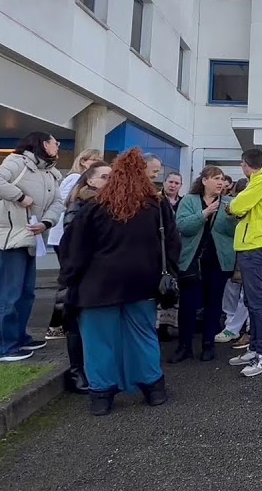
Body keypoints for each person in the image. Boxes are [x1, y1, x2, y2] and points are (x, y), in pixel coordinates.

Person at [59, 149, 181, 416]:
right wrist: (168, 273)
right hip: (143, 283)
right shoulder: (157, 206)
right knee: (143, 337)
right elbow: (172, 243)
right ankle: (153, 389)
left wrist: (68, 280)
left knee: (99, 342)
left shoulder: (95, 207)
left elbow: (74, 249)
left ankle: (101, 396)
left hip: (97, 286)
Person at [0, 131, 66, 363]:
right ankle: (0, 348)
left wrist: (47, 222)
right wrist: (19, 196)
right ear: (43, 144)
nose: (58, 146)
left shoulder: (50, 172)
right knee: (8, 295)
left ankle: (18, 338)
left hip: (29, 238)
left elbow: (58, 202)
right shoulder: (18, 163)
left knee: (25, 294)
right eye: (54, 142)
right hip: (7, 240)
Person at [172, 166, 237, 363]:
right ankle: (184, 346)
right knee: (188, 306)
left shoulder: (229, 203)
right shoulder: (189, 200)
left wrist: (232, 218)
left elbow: (233, 231)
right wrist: (204, 213)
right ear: (204, 180)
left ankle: (208, 344)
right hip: (192, 261)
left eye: (222, 179)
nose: (220, 182)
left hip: (218, 262)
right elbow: (183, 226)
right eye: (216, 178)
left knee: (213, 305)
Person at [54, 160, 109, 393]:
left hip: (97, 274)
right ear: (90, 180)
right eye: (104, 177)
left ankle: (89, 370)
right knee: (76, 323)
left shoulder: (103, 204)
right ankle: (77, 372)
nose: (109, 181)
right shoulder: (80, 205)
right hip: (82, 274)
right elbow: (74, 243)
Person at [226, 148, 262, 378]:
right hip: (251, 246)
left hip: (254, 247)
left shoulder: (261, 182)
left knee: (256, 302)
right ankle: (256, 348)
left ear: (246, 164)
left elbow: (237, 206)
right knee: (252, 300)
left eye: (242, 164)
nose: (241, 167)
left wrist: (232, 207)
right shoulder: (259, 181)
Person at [45, 147, 103, 341]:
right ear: (83, 161)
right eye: (93, 160)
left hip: (66, 235)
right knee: (69, 281)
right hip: (66, 236)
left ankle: (62, 323)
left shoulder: (75, 179)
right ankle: (57, 324)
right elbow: (65, 203)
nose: (96, 163)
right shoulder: (75, 179)